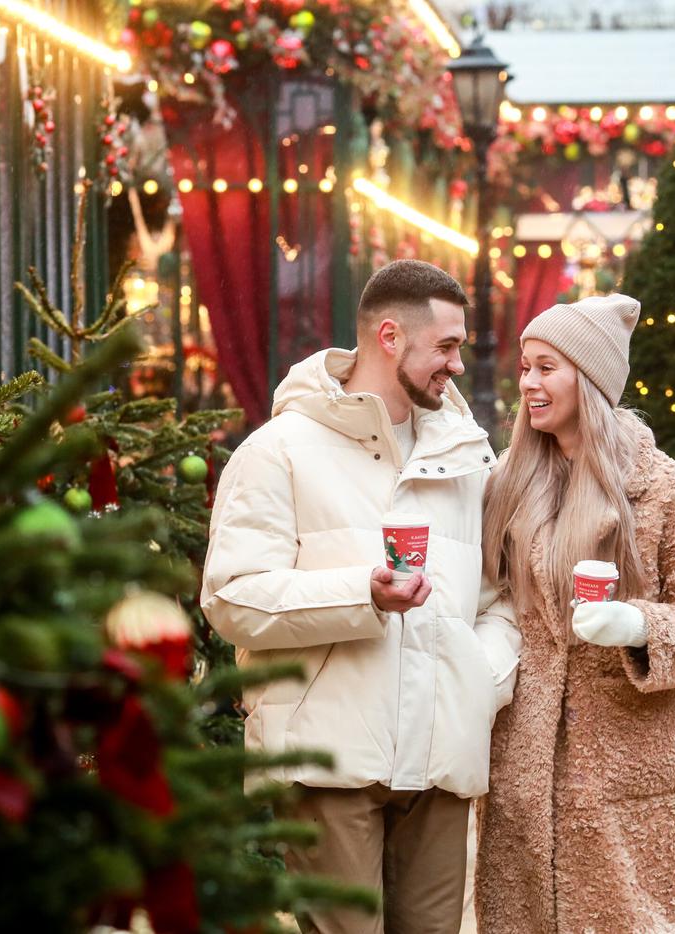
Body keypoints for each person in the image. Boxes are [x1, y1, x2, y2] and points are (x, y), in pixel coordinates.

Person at [200, 260, 523, 934]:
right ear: (388, 337)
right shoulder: (278, 451)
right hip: (328, 762)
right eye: (446, 346)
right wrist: (361, 594)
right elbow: (232, 597)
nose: (457, 366)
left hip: (439, 761)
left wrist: (478, 680)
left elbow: (504, 602)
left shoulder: (472, 458)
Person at [475, 293, 675, 934]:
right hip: (520, 770)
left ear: (589, 378)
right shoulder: (507, 481)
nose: (529, 384)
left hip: (626, 776)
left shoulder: (661, 485)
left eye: (547, 367)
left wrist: (638, 627)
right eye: (525, 367)